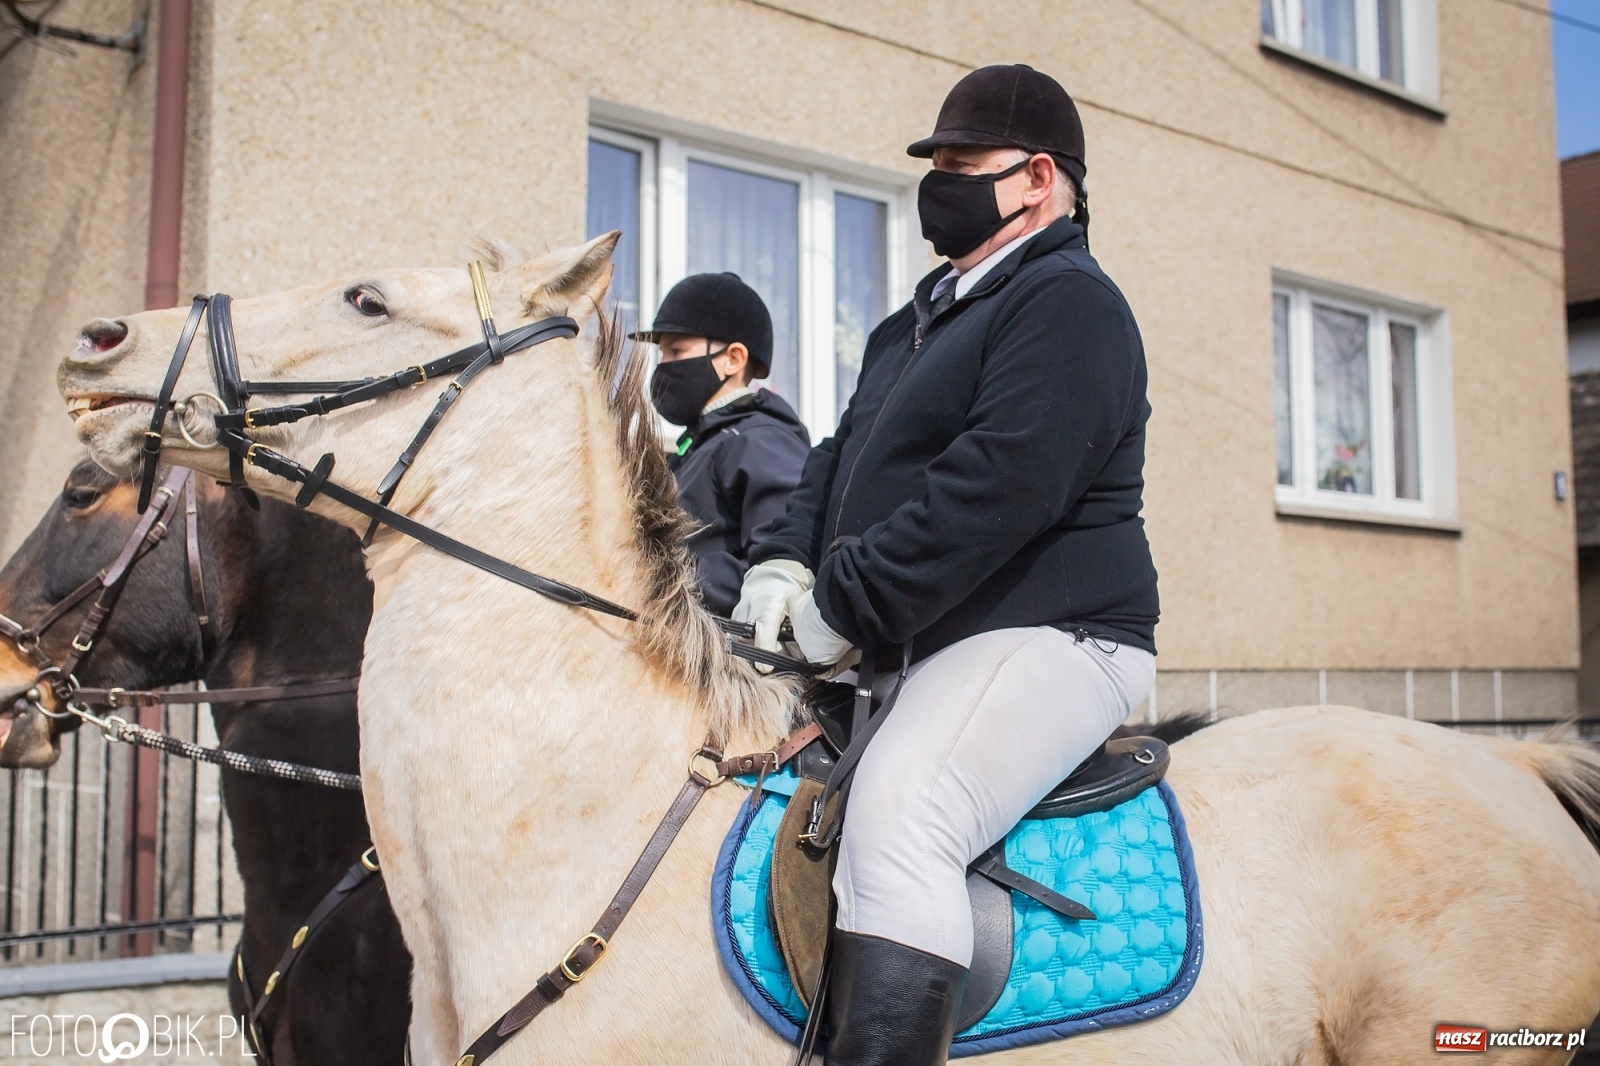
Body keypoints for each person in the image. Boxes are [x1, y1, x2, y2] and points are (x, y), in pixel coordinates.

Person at [732, 65, 1159, 1065]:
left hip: (1052, 635)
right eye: (937, 167)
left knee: (903, 818)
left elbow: (999, 485)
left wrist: (843, 601)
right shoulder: (912, 321)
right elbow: (834, 458)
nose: (939, 186)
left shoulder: (1071, 305)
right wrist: (782, 566)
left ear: (1037, 180)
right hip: (915, 639)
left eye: (962, 168)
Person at [635, 273, 810, 616]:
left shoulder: (759, 440)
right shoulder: (700, 444)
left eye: (676, 350)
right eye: (661, 353)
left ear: (733, 359)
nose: (663, 366)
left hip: (728, 657)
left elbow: (782, 558)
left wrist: (661, 581)